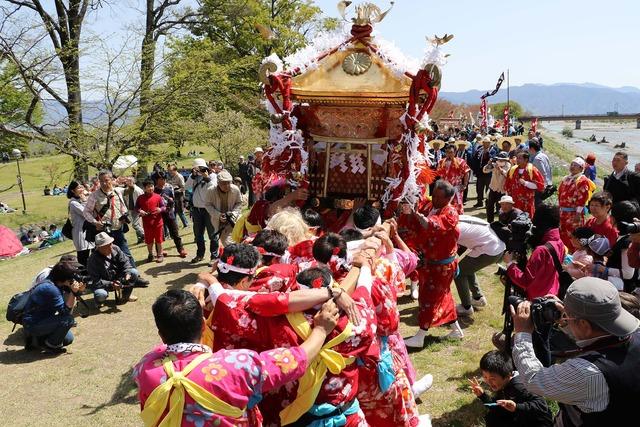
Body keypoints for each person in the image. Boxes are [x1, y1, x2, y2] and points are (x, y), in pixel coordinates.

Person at [134, 289, 339, 427]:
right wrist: (320, 329)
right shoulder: (236, 366)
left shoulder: (145, 368)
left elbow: (165, 351)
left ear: (161, 334)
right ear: (204, 325)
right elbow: (296, 360)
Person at [511, 277, 640, 426]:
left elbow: (533, 379)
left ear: (584, 324)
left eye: (570, 316)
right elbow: (596, 336)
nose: (566, 317)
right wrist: (569, 322)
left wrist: (522, 333)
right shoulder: (636, 333)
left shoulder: (587, 372)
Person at [399, 180, 464, 347]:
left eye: (438, 197)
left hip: (441, 266)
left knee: (429, 298)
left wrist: (421, 219)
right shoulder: (429, 206)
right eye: (433, 194)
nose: (433, 198)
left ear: (448, 199)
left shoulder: (451, 212)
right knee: (442, 296)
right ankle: (456, 330)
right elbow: (417, 217)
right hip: (429, 262)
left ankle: (420, 336)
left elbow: (436, 225)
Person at [504, 204, 564, 366]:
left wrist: (510, 265)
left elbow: (525, 281)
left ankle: (542, 372)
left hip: (537, 303)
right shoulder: (558, 241)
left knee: (539, 342)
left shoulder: (540, 250)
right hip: (553, 297)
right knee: (545, 338)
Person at [469, 350, 552, 427]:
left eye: (492, 378)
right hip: (520, 416)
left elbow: (542, 406)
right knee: (492, 417)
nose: (488, 382)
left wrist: (517, 407)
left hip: (537, 423)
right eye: (485, 377)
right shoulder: (503, 385)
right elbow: (497, 406)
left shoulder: (519, 386)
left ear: (507, 375)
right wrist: (482, 395)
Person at [22, 261, 85, 353]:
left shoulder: (54, 281)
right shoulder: (50, 288)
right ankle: (49, 346)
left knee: (68, 339)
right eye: (71, 277)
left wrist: (77, 291)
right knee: (68, 320)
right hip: (33, 323)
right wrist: (73, 292)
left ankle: (36, 340)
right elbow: (65, 312)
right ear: (64, 278)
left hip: (41, 319)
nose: (73, 279)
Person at [454, 215, 506, 317]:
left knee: (459, 272)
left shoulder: (454, 228)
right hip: (497, 247)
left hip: (489, 250)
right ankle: (478, 298)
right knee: (467, 267)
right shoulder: (459, 218)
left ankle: (466, 307)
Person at [84, 170, 136, 266]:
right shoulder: (94, 196)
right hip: (104, 232)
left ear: (112, 180)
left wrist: (131, 185)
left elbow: (129, 191)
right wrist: (95, 222)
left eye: (106, 180)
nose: (104, 183)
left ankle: (134, 276)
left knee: (126, 253)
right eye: (101, 181)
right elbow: (86, 212)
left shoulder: (117, 191)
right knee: (106, 258)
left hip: (118, 228)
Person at [87, 232, 147, 305]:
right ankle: (99, 302)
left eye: (111, 243)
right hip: (104, 284)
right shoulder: (92, 260)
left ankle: (125, 296)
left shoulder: (115, 248)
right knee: (100, 294)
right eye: (107, 245)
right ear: (99, 248)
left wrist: (127, 272)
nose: (111, 247)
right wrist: (111, 284)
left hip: (117, 277)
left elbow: (126, 262)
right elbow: (95, 281)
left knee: (133, 272)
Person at [558, 158, 597, 252]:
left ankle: (573, 254)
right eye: (571, 164)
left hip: (573, 214)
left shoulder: (582, 180)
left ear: (581, 168)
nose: (572, 166)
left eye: (575, 165)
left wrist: (578, 213)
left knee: (573, 236)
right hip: (563, 212)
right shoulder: (566, 178)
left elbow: (582, 197)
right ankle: (562, 252)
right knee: (562, 233)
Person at [599, 201, 639, 292]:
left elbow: (628, 273)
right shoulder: (623, 237)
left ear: (615, 219)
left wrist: (604, 269)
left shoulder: (627, 241)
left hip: (623, 290)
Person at [185, 158, 217, 264]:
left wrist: (206, 178)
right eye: (197, 169)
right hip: (196, 209)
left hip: (209, 209)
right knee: (198, 234)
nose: (200, 171)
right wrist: (193, 176)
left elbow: (214, 188)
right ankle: (200, 255)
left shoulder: (212, 176)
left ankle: (214, 256)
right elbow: (187, 187)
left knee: (212, 233)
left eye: (202, 168)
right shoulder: (193, 177)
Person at [152, 170, 188, 259]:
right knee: (159, 234)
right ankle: (159, 251)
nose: (163, 181)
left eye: (164, 178)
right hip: (158, 215)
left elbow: (172, 200)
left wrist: (169, 209)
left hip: (170, 214)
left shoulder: (169, 187)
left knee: (175, 232)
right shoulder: (153, 190)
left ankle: (181, 249)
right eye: (160, 179)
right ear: (156, 180)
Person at [210, 170, 243, 254]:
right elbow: (207, 205)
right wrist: (218, 215)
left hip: (234, 220)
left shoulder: (235, 189)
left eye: (228, 183)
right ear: (218, 183)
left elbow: (239, 202)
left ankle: (237, 258)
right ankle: (234, 259)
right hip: (220, 222)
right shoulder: (211, 191)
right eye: (224, 183)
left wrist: (234, 213)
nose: (227, 185)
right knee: (226, 242)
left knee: (239, 239)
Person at [504, 151, 545, 219]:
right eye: (517, 158)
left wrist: (526, 183)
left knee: (527, 219)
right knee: (514, 218)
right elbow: (508, 184)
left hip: (527, 202)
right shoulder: (513, 169)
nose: (517, 160)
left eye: (520, 158)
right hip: (515, 201)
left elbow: (538, 185)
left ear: (526, 160)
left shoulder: (532, 170)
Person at [136, 179, 166, 263]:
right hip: (146, 223)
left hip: (157, 222)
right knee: (148, 240)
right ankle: (150, 254)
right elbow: (136, 207)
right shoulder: (140, 198)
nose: (150, 188)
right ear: (144, 188)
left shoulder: (158, 196)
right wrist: (140, 211)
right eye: (148, 187)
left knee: (159, 239)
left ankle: (160, 254)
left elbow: (164, 206)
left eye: (152, 186)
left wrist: (160, 209)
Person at [436, 144, 471, 214]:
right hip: (445, 189)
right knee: (445, 207)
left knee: (457, 207)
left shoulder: (461, 161)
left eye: (451, 152)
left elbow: (467, 172)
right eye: (447, 152)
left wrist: (465, 184)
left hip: (456, 188)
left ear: (455, 152)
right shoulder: (441, 162)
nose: (449, 154)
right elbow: (439, 175)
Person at [67, 180, 94, 265]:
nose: (82, 189)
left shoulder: (81, 200)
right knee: (83, 258)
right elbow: (86, 213)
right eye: (79, 188)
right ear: (72, 190)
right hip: (80, 233)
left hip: (88, 231)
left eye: (82, 187)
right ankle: (83, 277)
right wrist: (85, 201)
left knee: (94, 257)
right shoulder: (73, 203)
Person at [483, 151, 511, 223]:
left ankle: (501, 224)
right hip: (493, 188)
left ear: (506, 160)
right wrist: (489, 164)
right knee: (490, 206)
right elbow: (485, 171)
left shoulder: (509, 166)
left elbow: (507, 176)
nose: (500, 161)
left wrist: (500, 169)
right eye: (499, 159)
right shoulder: (495, 164)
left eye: (502, 160)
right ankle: (490, 222)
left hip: (502, 190)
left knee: (501, 208)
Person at [473, 136, 498, 208]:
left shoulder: (493, 150)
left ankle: (488, 203)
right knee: (479, 188)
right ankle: (479, 202)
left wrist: (487, 154)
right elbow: (475, 159)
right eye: (484, 143)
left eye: (487, 143)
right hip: (480, 173)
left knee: (488, 189)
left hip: (488, 173)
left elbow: (493, 159)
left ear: (489, 143)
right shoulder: (479, 150)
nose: (485, 144)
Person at [121, 177, 145, 243]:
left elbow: (142, 199)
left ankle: (144, 235)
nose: (127, 182)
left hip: (138, 209)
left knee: (135, 224)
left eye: (129, 181)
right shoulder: (127, 190)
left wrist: (141, 209)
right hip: (131, 209)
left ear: (132, 181)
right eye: (127, 181)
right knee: (138, 225)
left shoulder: (137, 190)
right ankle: (140, 239)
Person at [528, 141, 552, 206]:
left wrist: (542, 186)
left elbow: (543, 173)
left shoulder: (537, 159)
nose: (528, 150)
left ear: (532, 149)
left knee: (537, 204)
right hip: (547, 183)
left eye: (529, 148)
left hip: (540, 186)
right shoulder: (544, 155)